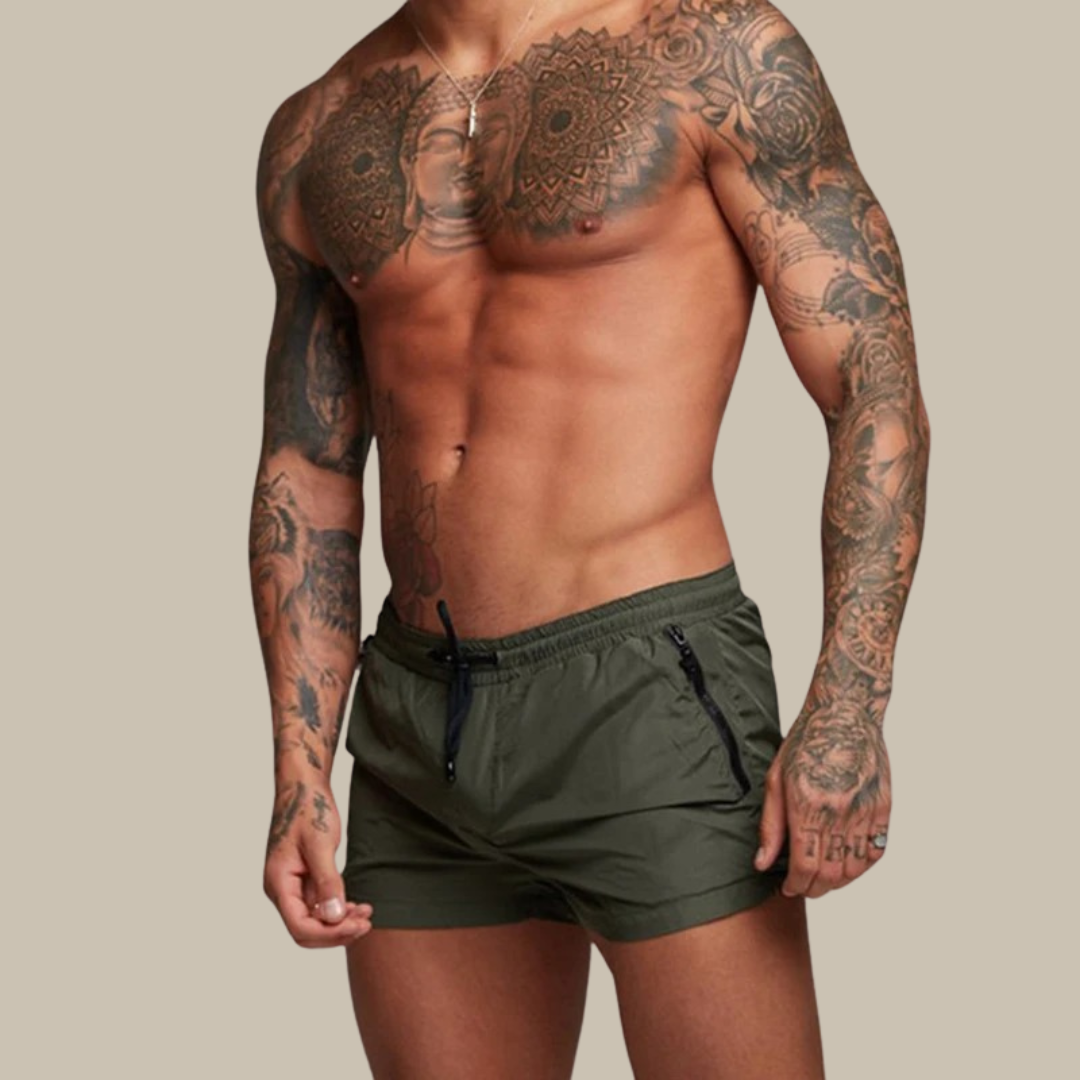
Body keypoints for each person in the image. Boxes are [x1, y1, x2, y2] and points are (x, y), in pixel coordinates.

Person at [248, 0, 930, 1075]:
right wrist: (301, 768)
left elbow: (872, 384)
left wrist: (848, 705)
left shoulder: (712, 48)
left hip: (650, 689)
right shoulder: (319, 125)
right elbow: (308, 463)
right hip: (416, 724)